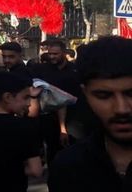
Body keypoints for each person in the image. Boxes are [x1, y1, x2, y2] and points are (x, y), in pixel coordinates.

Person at [48, 36, 132, 191]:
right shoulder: (68, 167)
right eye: (104, 96)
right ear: (86, 94)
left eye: (130, 94)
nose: (121, 109)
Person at [28, 39, 82, 163]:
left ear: (64, 52)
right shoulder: (41, 69)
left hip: (73, 118)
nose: (52, 57)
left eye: (55, 54)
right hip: (48, 118)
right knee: (52, 151)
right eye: (50, 53)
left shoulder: (74, 70)